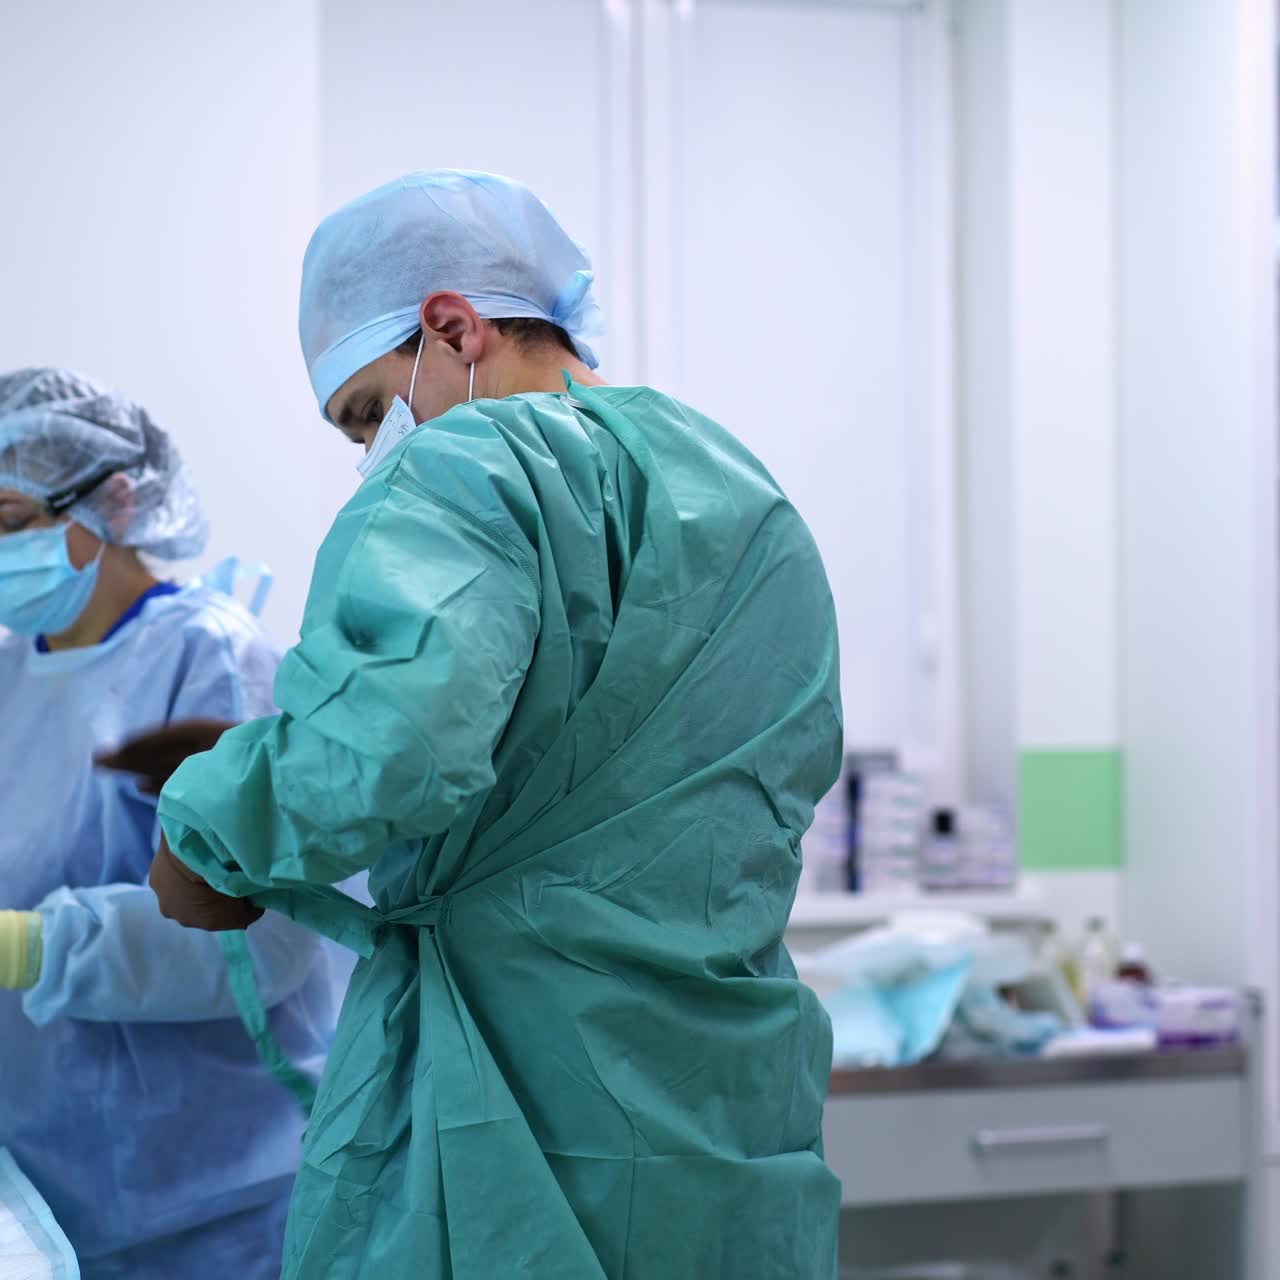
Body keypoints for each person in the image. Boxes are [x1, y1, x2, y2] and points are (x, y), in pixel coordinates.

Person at [115, 170, 844, 1278]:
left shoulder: (467, 469)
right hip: (720, 1108)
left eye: (366, 408)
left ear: (451, 327)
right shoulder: (745, 500)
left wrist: (207, 820)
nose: (372, 450)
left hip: (518, 1093)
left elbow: (384, 750)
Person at [0, 368, 341, 1280]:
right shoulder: (9, 679)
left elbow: (262, 941)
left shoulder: (212, 659)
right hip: (53, 1191)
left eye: (6, 521)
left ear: (112, 502)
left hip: (218, 1195)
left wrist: (36, 948)